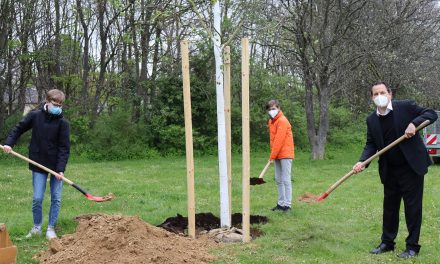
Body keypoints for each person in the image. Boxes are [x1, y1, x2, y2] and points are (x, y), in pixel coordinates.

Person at [352, 81, 438, 258]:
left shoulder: (405, 107)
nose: (379, 97)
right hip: (389, 169)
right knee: (390, 208)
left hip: (410, 167)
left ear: (390, 94)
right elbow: (371, 144)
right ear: (371, 97)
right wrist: (362, 162)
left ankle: (412, 246)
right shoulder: (371, 120)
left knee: (412, 208)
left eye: (382, 92)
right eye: (375, 94)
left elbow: (430, 114)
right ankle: (387, 243)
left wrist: (414, 123)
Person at [2, 89, 70, 240]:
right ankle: (37, 227)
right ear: (47, 101)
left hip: (55, 167)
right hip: (38, 162)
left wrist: (60, 169)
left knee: (56, 198)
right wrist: (9, 143)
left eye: (60, 105)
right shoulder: (35, 116)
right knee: (38, 198)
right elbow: (18, 129)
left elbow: (64, 148)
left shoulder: (63, 123)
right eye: (55, 104)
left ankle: (51, 229)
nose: (57, 107)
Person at [266, 99, 295, 212]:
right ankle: (280, 203)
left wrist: (272, 156)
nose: (271, 111)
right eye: (269, 109)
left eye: (273, 109)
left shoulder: (282, 121)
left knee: (286, 179)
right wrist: (273, 155)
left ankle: (287, 205)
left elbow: (279, 140)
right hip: (277, 153)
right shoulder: (271, 121)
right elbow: (272, 141)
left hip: (286, 153)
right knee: (278, 179)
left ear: (279, 108)